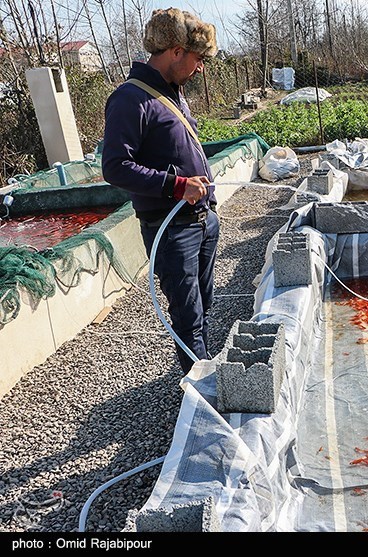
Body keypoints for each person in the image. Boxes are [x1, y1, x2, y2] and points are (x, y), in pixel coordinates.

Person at [102, 8, 219, 373]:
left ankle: (202, 369)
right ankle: (202, 399)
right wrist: (177, 185)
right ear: (175, 51)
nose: (200, 68)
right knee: (187, 316)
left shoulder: (173, 94)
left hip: (202, 221)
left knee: (202, 306)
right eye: (197, 59)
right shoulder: (129, 99)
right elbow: (115, 167)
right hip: (172, 229)